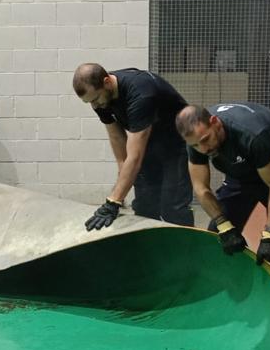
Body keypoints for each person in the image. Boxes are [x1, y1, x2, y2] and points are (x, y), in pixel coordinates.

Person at [175, 103, 270, 283]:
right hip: (241, 169)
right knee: (218, 236)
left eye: (206, 140)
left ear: (215, 122)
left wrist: (269, 234)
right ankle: (225, 285)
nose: (203, 149)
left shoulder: (252, 134)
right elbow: (201, 188)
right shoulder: (198, 141)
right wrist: (224, 226)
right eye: (196, 145)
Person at [72, 63, 194, 230]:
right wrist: (122, 175)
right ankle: (149, 250)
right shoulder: (101, 99)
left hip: (177, 143)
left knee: (173, 206)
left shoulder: (141, 93)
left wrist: (113, 201)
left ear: (107, 82)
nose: (94, 106)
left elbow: (135, 157)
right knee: (144, 205)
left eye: (94, 100)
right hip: (150, 143)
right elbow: (116, 136)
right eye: (89, 102)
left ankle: (184, 251)